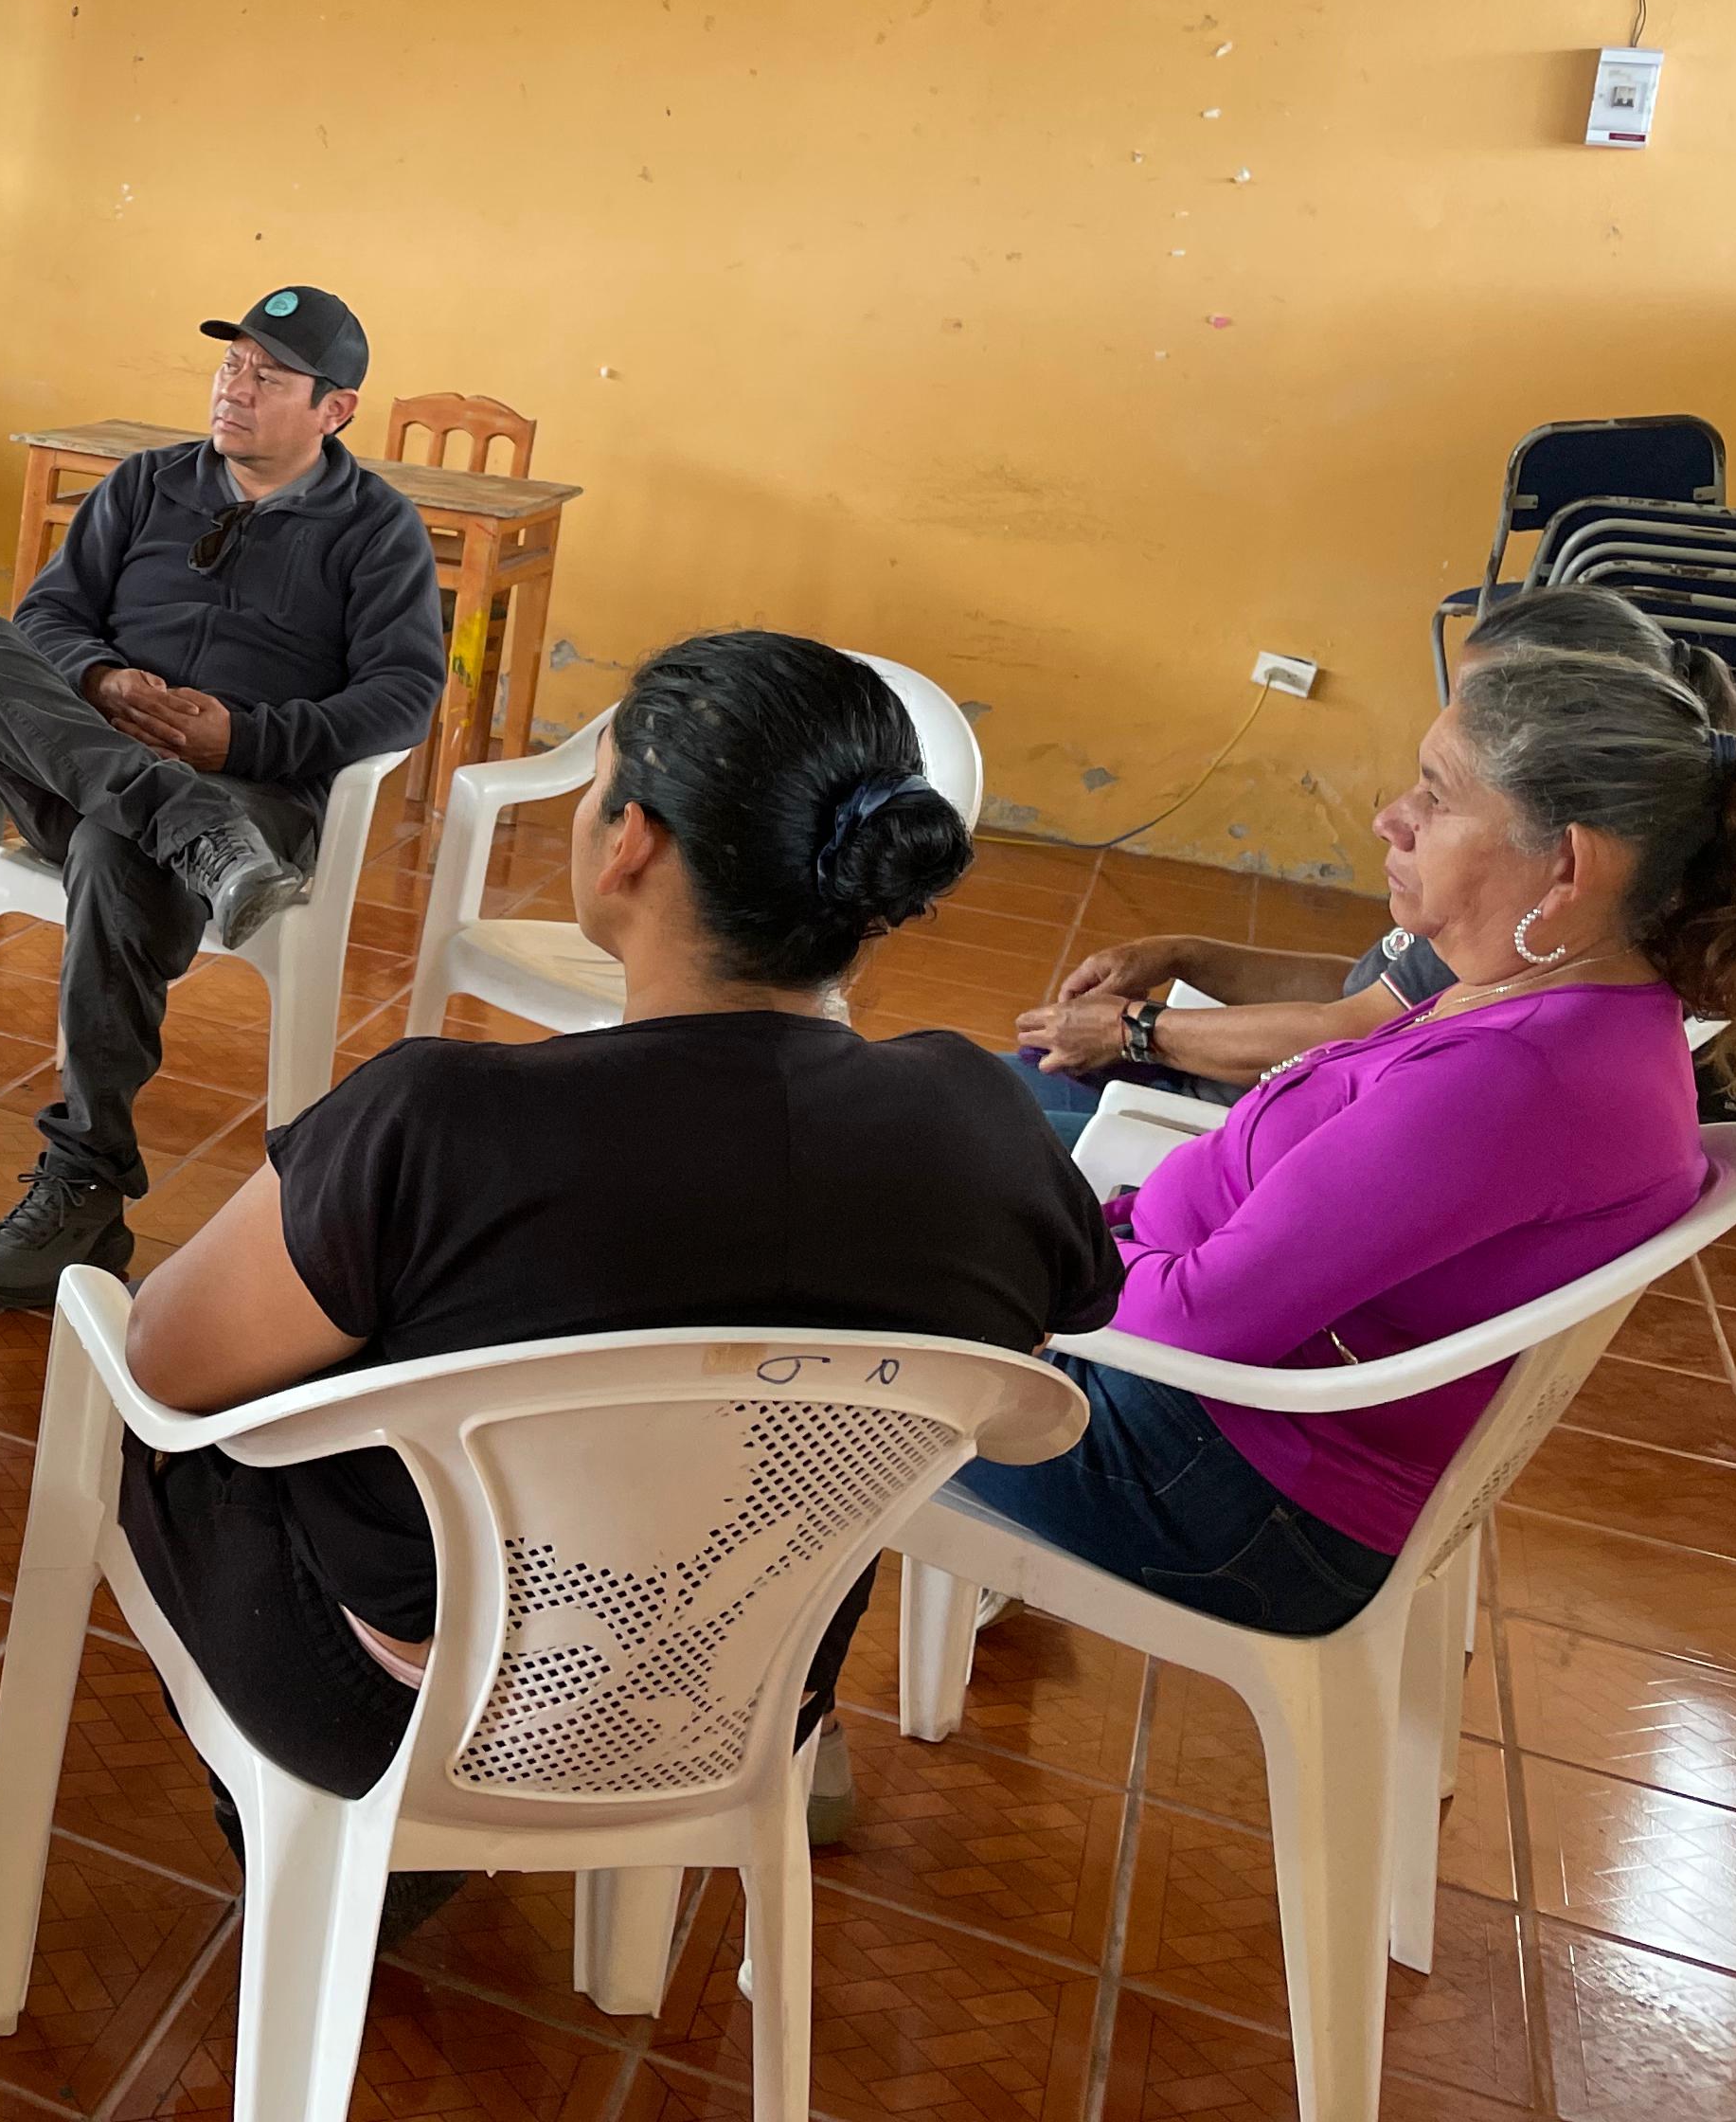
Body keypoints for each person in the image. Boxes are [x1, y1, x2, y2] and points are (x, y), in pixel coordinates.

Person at [113, 632, 1121, 1888]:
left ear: (629, 841)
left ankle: (352, 1867)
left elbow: (166, 1362)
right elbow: (1052, 1328)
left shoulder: (440, 1120)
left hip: (391, 1713)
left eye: (594, 789)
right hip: (749, 1696)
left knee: (160, 1409)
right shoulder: (985, 1123)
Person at [953, 642, 1736, 1633]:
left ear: (1566, 865)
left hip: (1221, 1484)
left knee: (825, 1289)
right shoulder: (1565, 1004)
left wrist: (1035, 1252)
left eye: (1437, 795)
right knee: (941, 1127)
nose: (1392, 816)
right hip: (1237, 1401)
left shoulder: (1514, 1078)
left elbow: (1199, 1319)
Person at [0, 287, 447, 1306]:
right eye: (230, 365)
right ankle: (182, 823)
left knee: (116, 847)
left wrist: (243, 738)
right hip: (95, 759)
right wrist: (101, 682)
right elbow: (48, 617)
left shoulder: (377, 529)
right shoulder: (145, 484)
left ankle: (85, 1183)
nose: (234, 390)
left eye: (269, 377)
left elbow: (403, 696)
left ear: (334, 409)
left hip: (255, 797)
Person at [1012, 587, 1736, 1132]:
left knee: (966, 1123)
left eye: (1448, 782)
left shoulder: (1528, 968)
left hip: (1216, 1128)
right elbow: (1373, 992)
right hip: (1216, 1108)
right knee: (972, 1090)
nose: (1390, 818)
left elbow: (1351, 1030)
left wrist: (1134, 1029)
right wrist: (1186, 956)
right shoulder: (1506, 930)